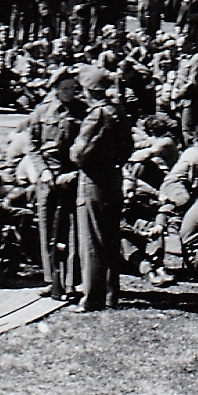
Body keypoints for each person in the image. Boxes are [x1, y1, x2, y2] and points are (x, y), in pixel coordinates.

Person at [69, 64, 129, 312]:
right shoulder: (118, 111)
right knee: (111, 238)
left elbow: (79, 153)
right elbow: (127, 148)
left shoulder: (96, 115)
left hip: (93, 181)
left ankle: (92, 296)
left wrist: (75, 153)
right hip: (114, 178)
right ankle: (111, 293)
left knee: (91, 239)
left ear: (89, 90)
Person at [27, 67, 86, 300]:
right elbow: (32, 145)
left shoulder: (83, 111)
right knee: (46, 228)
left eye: (73, 88)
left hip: (71, 177)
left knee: (71, 229)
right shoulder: (41, 112)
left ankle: (71, 282)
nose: (70, 92)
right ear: (55, 89)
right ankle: (51, 279)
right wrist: (42, 171)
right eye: (65, 89)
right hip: (47, 179)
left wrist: (75, 172)